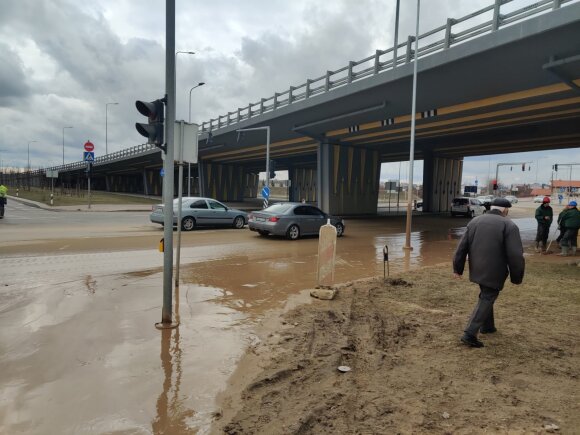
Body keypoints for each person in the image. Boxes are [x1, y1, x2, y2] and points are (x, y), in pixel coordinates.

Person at [453, 197, 525, 348]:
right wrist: (516, 277)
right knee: (487, 296)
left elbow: (462, 247)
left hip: (477, 268)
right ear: (505, 210)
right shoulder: (509, 225)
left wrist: (457, 268)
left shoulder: (475, 222)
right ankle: (469, 334)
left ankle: (488, 327)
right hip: (495, 270)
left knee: (487, 294)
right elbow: (515, 255)